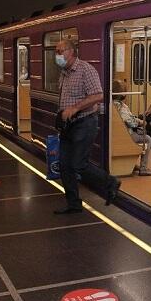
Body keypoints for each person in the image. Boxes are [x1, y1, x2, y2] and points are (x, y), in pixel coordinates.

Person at [54, 39, 121, 214]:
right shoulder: (64, 73)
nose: (57, 55)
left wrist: (75, 108)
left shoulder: (86, 70)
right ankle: (74, 204)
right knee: (64, 166)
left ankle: (110, 182)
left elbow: (98, 95)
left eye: (60, 51)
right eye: (56, 51)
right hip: (68, 126)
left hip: (84, 123)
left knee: (78, 164)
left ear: (71, 51)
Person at [112, 80, 151, 175]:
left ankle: (134, 164)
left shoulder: (111, 104)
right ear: (123, 94)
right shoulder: (121, 106)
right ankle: (143, 168)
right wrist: (141, 122)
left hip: (116, 135)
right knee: (147, 138)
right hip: (126, 135)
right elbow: (131, 122)